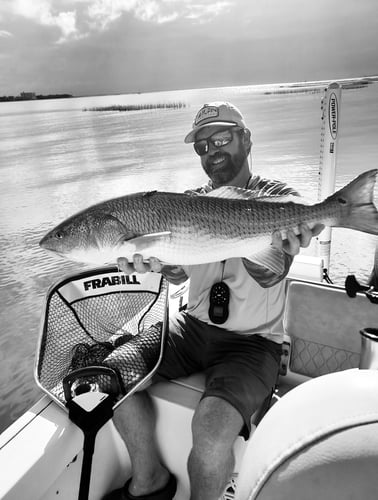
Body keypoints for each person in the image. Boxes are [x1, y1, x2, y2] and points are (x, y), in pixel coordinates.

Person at [104, 102, 324, 500]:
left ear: (246, 138)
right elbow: (180, 274)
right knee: (109, 377)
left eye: (221, 137)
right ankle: (149, 479)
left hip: (252, 344)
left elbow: (272, 271)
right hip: (189, 329)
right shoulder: (188, 202)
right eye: (202, 145)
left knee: (208, 436)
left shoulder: (277, 198)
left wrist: (277, 244)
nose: (212, 149)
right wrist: (161, 263)